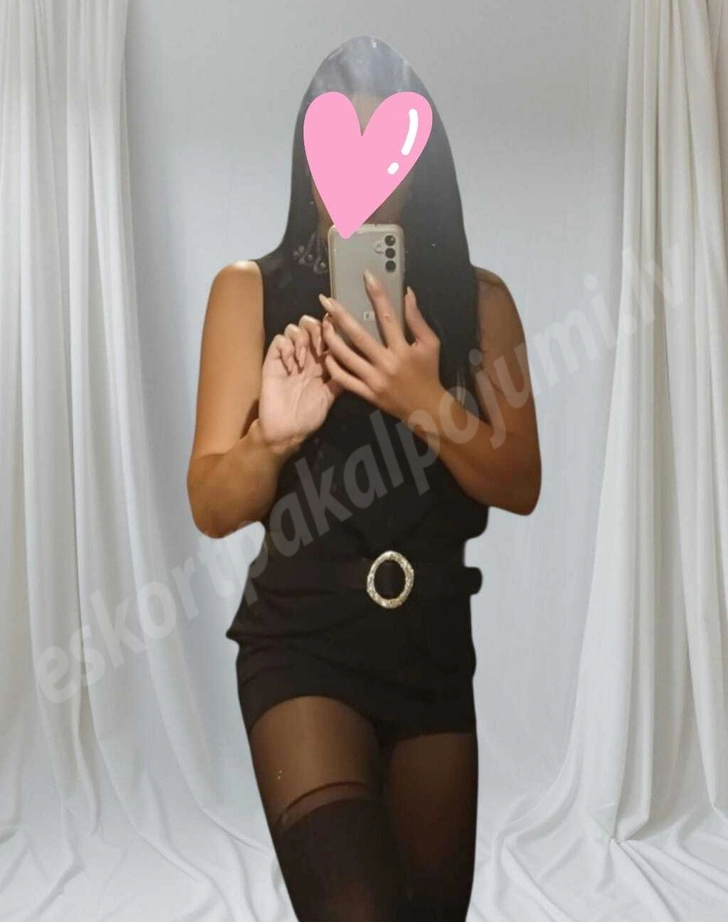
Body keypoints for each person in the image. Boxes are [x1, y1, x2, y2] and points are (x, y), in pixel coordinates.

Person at [187, 34, 541, 922]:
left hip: (431, 646)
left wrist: (427, 403)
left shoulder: (483, 304)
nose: (365, 183)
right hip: (300, 639)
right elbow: (211, 504)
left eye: (391, 160)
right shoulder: (249, 291)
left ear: (421, 172)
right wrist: (272, 441)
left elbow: (521, 481)